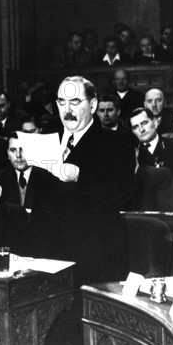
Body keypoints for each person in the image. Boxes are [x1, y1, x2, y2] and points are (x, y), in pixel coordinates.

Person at [53, 75, 135, 284]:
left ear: (92, 105)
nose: (67, 109)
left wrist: (80, 176)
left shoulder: (117, 142)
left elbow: (121, 192)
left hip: (94, 253)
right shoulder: (48, 141)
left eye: (75, 102)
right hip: (51, 254)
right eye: (62, 102)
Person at [0, 133, 61, 214]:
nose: (18, 155)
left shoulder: (48, 179)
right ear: (8, 154)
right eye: (13, 150)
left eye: (22, 149)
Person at [129, 107, 173, 181]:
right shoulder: (132, 153)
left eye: (144, 123)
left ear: (155, 122)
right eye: (135, 127)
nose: (141, 130)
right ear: (133, 131)